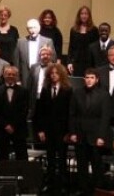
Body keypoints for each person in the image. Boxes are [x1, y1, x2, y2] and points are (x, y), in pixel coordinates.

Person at [70, 69, 112, 195]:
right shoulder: (77, 93)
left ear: (97, 79)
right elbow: (72, 115)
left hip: (96, 135)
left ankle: (97, 190)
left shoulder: (104, 95)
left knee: (97, 166)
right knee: (81, 165)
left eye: (91, 77)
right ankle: (83, 190)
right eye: (87, 77)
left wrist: (102, 136)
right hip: (80, 134)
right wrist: (72, 133)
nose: (89, 80)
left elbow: (105, 117)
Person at [33, 64, 72, 193]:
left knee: (61, 159)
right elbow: (40, 113)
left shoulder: (68, 90)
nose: (54, 75)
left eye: (56, 73)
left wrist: (68, 132)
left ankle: (63, 185)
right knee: (50, 159)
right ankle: (50, 184)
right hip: (48, 131)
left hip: (62, 132)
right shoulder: (45, 90)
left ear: (61, 74)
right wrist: (41, 130)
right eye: (51, 73)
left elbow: (70, 113)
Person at [0, 66, 29, 161]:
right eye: (8, 74)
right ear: (4, 75)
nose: (11, 76)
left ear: (17, 76)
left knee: (21, 156)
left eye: (13, 74)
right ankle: (2, 175)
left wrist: (13, 125)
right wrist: (6, 125)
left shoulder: (23, 91)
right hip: (2, 129)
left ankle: (22, 175)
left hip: (19, 128)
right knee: (1, 156)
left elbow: (24, 111)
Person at [67, 6, 98, 76]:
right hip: (76, 62)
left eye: (86, 14)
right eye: (82, 14)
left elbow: (96, 48)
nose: (84, 16)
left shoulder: (94, 30)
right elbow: (71, 47)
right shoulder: (73, 30)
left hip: (90, 63)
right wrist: (69, 62)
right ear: (79, 15)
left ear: (89, 16)